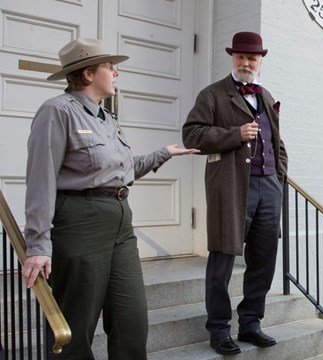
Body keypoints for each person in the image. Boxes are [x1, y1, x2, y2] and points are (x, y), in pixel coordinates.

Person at [20, 38, 199, 360]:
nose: (116, 74)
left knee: (132, 321)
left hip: (119, 220)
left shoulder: (106, 118)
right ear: (88, 74)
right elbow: (40, 179)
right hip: (79, 221)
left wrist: (163, 154)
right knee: (75, 325)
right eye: (110, 67)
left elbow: (121, 171)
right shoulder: (58, 112)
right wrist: (37, 244)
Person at [181, 31, 288, 356]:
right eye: (240, 57)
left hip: (268, 185)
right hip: (230, 186)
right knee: (223, 257)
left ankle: (251, 323)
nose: (245, 63)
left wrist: (280, 175)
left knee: (264, 258)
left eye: (251, 58)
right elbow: (191, 135)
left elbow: (276, 142)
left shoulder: (266, 95)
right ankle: (218, 329)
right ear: (232, 58)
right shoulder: (213, 94)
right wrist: (234, 134)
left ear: (260, 60)